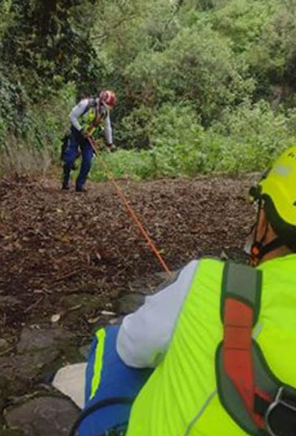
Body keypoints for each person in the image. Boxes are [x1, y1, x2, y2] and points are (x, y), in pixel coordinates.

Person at [75, 146, 296, 436]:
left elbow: (132, 348)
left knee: (114, 338)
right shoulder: (89, 109)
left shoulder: (213, 281)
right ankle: (73, 184)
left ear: (265, 220)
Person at [62, 90, 116, 192]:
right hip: (75, 133)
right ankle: (65, 181)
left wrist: (109, 142)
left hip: (88, 137)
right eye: (107, 104)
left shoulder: (105, 112)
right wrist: (80, 129)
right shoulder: (85, 104)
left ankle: (80, 185)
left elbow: (107, 127)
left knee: (88, 160)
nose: (107, 107)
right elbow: (72, 116)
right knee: (69, 159)